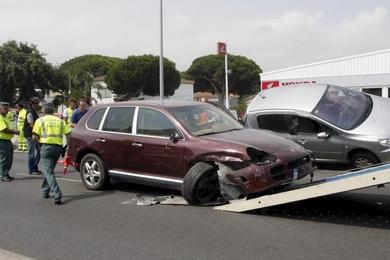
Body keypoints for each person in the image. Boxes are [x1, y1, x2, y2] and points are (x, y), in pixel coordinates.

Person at [32, 103, 72, 205]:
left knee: (48, 172)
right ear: (53, 111)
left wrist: (40, 145)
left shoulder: (40, 120)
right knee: (49, 171)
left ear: (44, 111)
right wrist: (65, 146)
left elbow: (34, 136)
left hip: (46, 147)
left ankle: (57, 194)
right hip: (58, 148)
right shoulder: (60, 121)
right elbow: (69, 134)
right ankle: (45, 191)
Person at [0, 102, 20, 182]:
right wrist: (14, 131)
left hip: (7, 140)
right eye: (5, 109)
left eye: (7, 109)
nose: (7, 110)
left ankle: (6, 173)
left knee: (9, 158)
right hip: (2, 141)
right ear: (0, 109)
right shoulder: (0, 118)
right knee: (5, 158)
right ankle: (3, 175)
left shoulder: (5, 117)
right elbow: (4, 129)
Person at [24, 97, 42, 175]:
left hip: (36, 134)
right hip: (31, 135)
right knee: (31, 153)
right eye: (36, 103)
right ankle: (31, 169)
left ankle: (35, 167)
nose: (38, 104)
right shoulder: (30, 113)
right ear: (32, 104)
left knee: (39, 151)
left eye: (38, 103)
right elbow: (32, 125)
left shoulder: (35, 111)